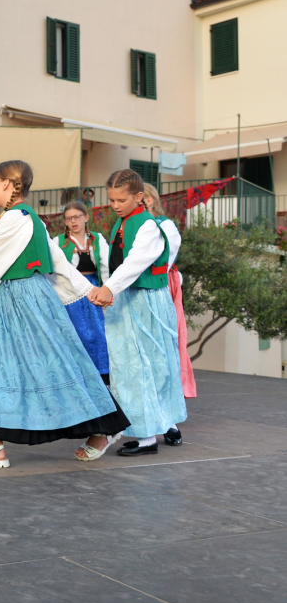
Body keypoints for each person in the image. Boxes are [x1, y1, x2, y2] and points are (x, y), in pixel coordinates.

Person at [0, 160, 129, 468]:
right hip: (24, 297)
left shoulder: (15, 218)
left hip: (24, 298)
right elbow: (60, 262)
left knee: (44, 364)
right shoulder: (30, 219)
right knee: (13, 366)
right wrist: (87, 289)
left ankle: (107, 424)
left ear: (9, 185)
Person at [87, 173, 186, 456]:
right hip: (128, 299)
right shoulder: (122, 222)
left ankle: (147, 437)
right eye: (112, 200)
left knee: (144, 365)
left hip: (144, 300)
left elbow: (136, 262)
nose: (116, 205)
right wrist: (108, 289)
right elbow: (115, 261)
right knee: (129, 366)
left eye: (122, 199)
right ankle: (144, 429)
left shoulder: (150, 226)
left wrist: (109, 288)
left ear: (139, 197)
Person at [143, 184, 196, 401]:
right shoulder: (133, 226)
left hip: (163, 284)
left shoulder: (165, 225)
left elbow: (166, 259)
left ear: (150, 200)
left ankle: (171, 401)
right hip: (143, 286)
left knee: (168, 338)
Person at [54, 201, 112, 385]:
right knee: (75, 333)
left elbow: (106, 266)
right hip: (69, 293)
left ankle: (101, 373)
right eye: (69, 218)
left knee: (97, 332)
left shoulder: (96, 238)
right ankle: (76, 375)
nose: (73, 221)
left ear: (86, 217)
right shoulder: (58, 242)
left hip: (93, 290)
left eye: (77, 217)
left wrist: (108, 290)